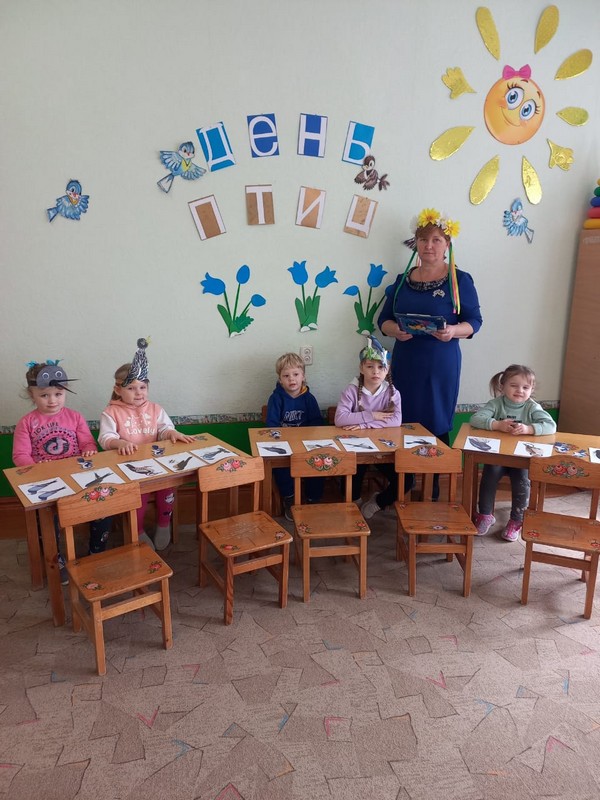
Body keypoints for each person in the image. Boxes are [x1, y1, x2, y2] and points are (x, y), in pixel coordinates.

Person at [378, 208, 483, 494]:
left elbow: (474, 322)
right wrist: (394, 330)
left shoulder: (459, 280)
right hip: (407, 361)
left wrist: (453, 331)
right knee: (403, 419)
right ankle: (404, 482)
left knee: (436, 420)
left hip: (440, 363)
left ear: (447, 244)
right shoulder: (402, 280)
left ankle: (433, 487)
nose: (429, 246)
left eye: (437, 240)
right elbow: (383, 320)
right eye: (424, 240)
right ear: (416, 243)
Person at [12, 360, 111, 584]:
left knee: (103, 506)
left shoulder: (75, 417)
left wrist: (89, 450)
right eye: (44, 395)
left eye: (58, 394)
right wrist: (37, 467)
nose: (52, 400)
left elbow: (88, 443)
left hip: (77, 480)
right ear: (31, 395)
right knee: (46, 519)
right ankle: (56, 559)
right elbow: (20, 456)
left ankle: (96, 552)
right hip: (47, 484)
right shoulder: (26, 423)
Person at [98, 338, 195, 550]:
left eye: (143, 387)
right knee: (138, 498)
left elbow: (164, 428)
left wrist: (172, 432)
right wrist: (119, 442)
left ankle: (163, 523)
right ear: (118, 389)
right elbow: (105, 438)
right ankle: (139, 530)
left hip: (157, 465)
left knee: (167, 489)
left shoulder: (155, 409)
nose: (139, 392)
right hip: (130, 469)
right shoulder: (111, 412)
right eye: (131, 388)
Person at [470, 364, 557, 541]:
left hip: (522, 460)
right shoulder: (496, 404)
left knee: (522, 481)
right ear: (502, 386)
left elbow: (551, 426)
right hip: (498, 458)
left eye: (525, 387)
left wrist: (529, 429)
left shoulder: (532, 407)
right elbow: (475, 419)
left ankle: (517, 520)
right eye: (514, 385)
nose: (520, 391)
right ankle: (485, 514)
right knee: (488, 476)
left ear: (531, 390)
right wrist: (497, 425)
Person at [334, 336, 402, 519]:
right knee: (351, 474)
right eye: (370, 366)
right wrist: (372, 415)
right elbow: (340, 419)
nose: (375, 371)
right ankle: (354, 503)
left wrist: (363, 423)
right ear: (361, 368)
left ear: (387, 369)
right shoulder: (351, 390)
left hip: (385, 450)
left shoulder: (392, 392)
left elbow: (396, 420)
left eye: (380, 367)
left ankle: (379, 501)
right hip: (358, 449)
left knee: (407, 478)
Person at [266, 352, 323, 519]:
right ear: (280, 379)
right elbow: (271, 425)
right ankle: (289, 497)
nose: (291, 379)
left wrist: (307, 439)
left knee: (318, 462)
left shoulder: (309, 398)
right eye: (286, 376)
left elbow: (317, 423)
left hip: (306, 444)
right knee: (281, 467)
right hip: (284, 445)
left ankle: (313, 498)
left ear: (303, 376)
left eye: (296, 374)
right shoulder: (276, 399)